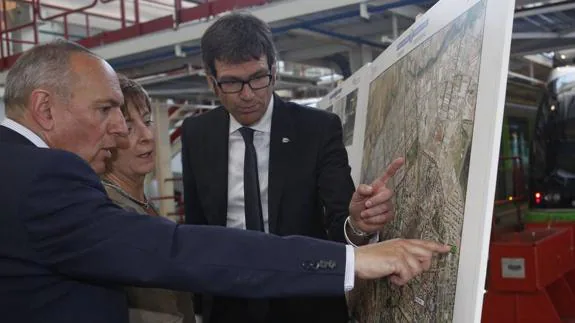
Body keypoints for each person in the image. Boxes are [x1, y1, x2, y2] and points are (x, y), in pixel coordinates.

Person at [0, 39, 450, 323]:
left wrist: (355, 234)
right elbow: (180, 247)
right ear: (44, 109)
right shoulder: (43, 177)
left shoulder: (15, 165)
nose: (121, 130)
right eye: (106, 110)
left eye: (259, 78)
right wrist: (352, 263)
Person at [181, 12, 400, 323]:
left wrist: (359, 225)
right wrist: (199, 309)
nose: (247, 94)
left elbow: (341, 221)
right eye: (231, 82)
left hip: (306, 302)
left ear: (274, 71)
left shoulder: (318, 129)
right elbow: (196, 228)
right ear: (212, 82)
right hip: (229, 303)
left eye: (258, 78)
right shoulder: (196, 134)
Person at [101, 75, 195, 323]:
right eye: (129, 128)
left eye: (147, 121)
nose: (147, 136)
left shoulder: (139, 202)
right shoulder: (113, 214)